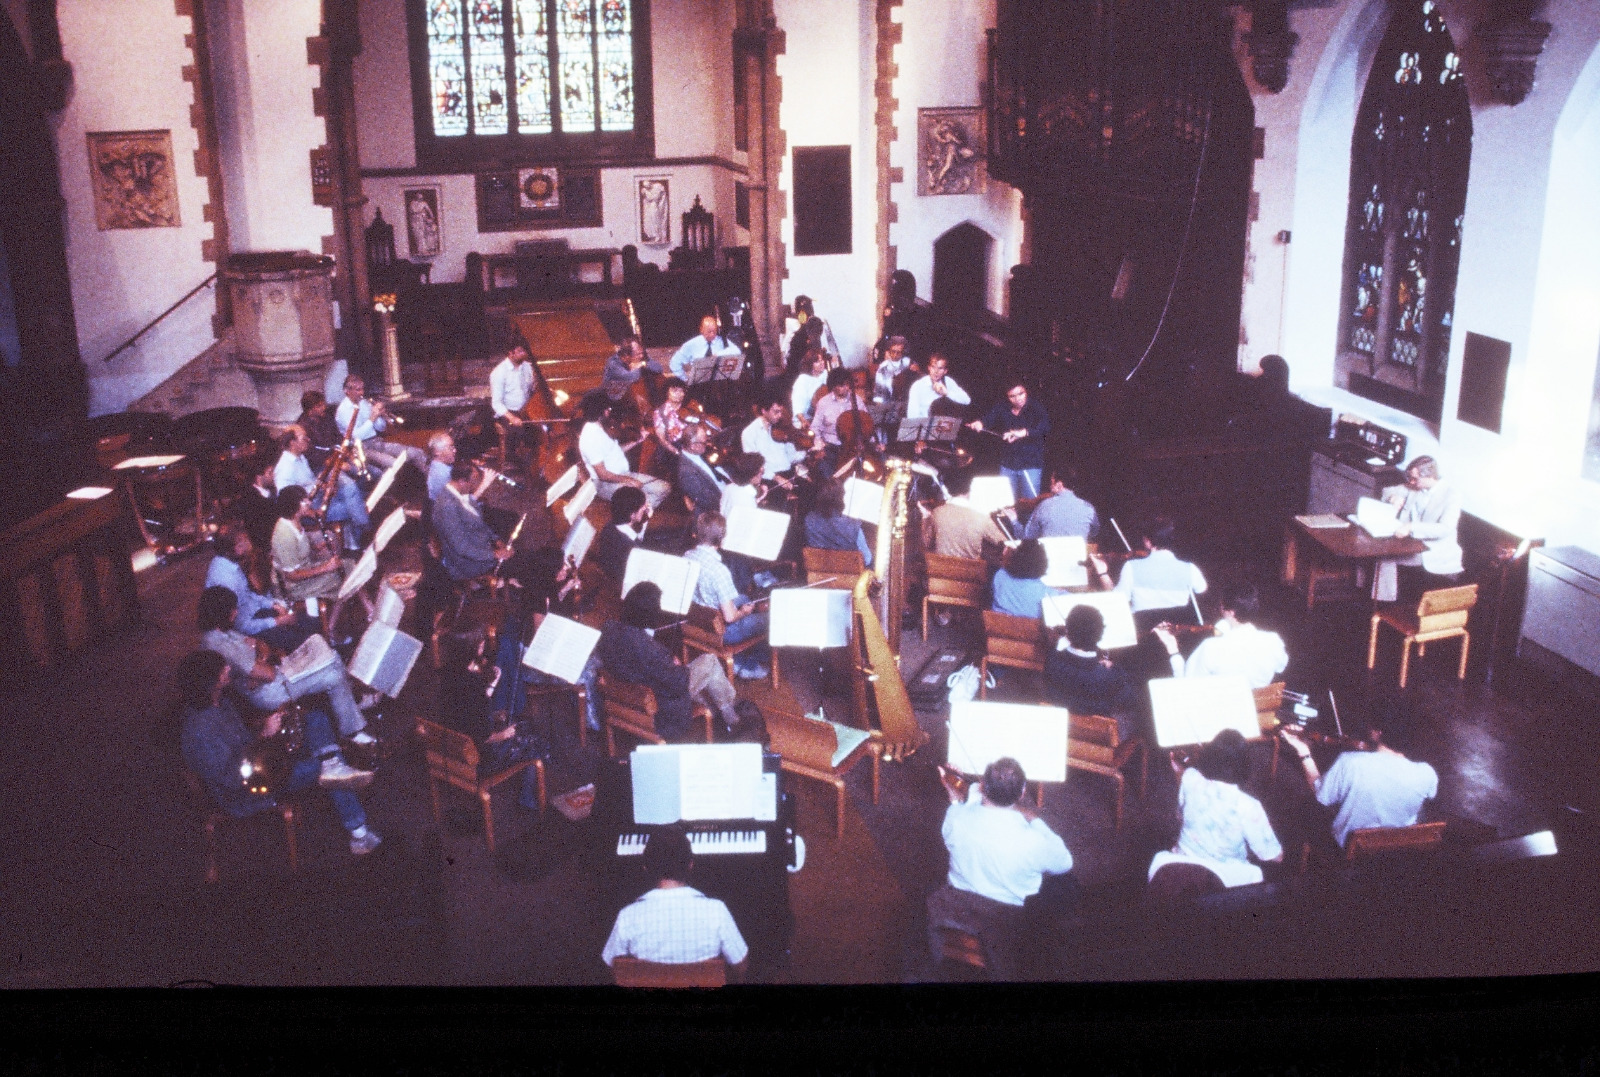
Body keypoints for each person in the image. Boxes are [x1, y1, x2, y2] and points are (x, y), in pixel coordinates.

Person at [177, 650, 381, 856]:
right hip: (249, 790)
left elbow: (242, 741)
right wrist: (264, 735)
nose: (228, 668)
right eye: (223, 670)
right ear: (212, 683)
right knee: (324, 769)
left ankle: (332, 765)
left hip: (259, 761)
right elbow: (234, 778)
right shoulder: (200, 731)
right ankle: (359, 834)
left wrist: (270, 728)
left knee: (315, 719)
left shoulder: (220, 702)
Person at [926, 757, 1074, 979]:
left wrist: (955, 793)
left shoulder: (956, 819)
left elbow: (959, 808)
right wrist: (1035, 820)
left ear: (984, 787)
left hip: (953, 903)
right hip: (1004, 918)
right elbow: (1065, 864)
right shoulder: (1035, 842)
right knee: (1066, 886)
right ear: (1022, 793)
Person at [197, 585, 377, 743]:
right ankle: (352, 730)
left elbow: (259, 643)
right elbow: (268, 674)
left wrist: (261, 658)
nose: (236, 612)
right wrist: (261, 661)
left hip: (271, 676)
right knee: (334, 674)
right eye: (233, 609)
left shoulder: (219, 633)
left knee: (327, 652)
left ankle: (351, 707)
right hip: (270, 692)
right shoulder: (221, 645)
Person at [1280, 697, 1438, 850]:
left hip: (1349, 852)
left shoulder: (1351, 763)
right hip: (1396, 856)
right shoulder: (1427, 774)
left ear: (1376, 733)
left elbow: (1319, 794)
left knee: (1297, 790)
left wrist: (1304, 751)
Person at [595, 582, 748, 738]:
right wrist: (676, 666)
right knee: (710, 662)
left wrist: (666, 660)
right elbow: (678, 683)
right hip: (662, 710)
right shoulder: (649, 650)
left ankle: (718, 709)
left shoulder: (608, 630)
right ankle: (732, 719)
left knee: (704, 674)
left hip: (627, 702)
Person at [601, 825, 750, 977]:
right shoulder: (717, 911)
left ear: (646, 867)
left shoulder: (628, 916)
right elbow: (741, 966)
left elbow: (612, 967)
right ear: (690, 865)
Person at [1149, 729, 1283, 889]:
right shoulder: (1248, 806)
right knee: (1257, 875)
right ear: (1245, 765)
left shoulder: (1190, 777)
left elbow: (1180, 815)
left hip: (1180, 861)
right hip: (1224, 873)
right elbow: (1273, 856)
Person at [683, 512, 770, 680]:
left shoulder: (687, 555)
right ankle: (744, 664)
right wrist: (744, 612)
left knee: (745, 598)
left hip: (693, 623)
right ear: (721, 540)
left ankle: (748, 656)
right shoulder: (719, 571)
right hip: (718, 632)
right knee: (770, 618)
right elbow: (730, 617)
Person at [1152, 582, 1288, 689]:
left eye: (1221, 606)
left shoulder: (1210, 647)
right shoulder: (1273, 641)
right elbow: (1281, 666)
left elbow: (1185, 685)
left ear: (1230, 612)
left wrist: (1172, 649)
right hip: (1260, 715)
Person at [204, 523, 316, 652]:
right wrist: (278, 621)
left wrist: (272, 605)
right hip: (247, 626)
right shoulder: (228, 581)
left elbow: (247, 595)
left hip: (252, 613)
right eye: (246, 541)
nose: (250, 543)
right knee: (300, 638)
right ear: (238, 548)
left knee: (304, 619)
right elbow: (241, 625)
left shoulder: (223, 562)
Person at [1372, 455, 1463, 604]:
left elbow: (1445, 529)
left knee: (1385, 558)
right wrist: (1393, 498)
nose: (1411, 482)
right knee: (1377, 553)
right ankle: (1377, 602)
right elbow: (1386, 491)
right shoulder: (1415, 486)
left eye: (1415, 479)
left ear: (1430, 476)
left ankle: (1385, 605)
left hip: (1433, 551)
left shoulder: (1452, 495)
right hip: (1412, 545)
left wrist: (1411, 527)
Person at [433, 460, 535, 586]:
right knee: (528, 565)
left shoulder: (459, 492)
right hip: (469, 563)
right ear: (462, 482)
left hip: (482, 548)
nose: (475, 487)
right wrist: (495, 554)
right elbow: (462, 548)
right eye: (473, 483)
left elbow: (478, 524)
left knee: (525, 555)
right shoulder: (447, 507)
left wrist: (496, 540)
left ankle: (517, 581)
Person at [1043, 605, 1139, 737]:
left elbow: (1055, 653)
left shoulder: (1052, 662)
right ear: (1100, 635)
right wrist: (1116, 669)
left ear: (1068, 632)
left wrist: (1058, 640)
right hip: (1096, 741)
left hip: (1059, 732)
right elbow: (1131, 699)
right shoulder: (1110, 676)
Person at [269, 485, 352, 630]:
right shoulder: (283, 534)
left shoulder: (294, 521)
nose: (308, 502)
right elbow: (291, 575)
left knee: (348, 566)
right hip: (293, 587)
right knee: (344, 575)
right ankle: (331, 628)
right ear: (293, 506)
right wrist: (326, 567)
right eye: (303, 501)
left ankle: (334, 624)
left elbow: (299, 547)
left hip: (305, 571)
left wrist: (316, 547)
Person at [273, 424, 369, 549]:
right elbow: (287, 504)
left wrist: (324, 487)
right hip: (310, 511)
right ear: (292, 443)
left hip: (319, 497)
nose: (308, 440)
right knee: (357, 507)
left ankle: (354, 543)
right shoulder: (284, 469)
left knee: (352, 492)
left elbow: (309, 482)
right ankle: (362, 538)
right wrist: (311, 512)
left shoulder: (300, 456)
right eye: (304, 438)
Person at [577, 392, 671, 509]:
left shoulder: (599, 429)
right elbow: (603, 475)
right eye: (608, 409)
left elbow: (614, 452)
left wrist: (637, 441)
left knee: (664, 488)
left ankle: (638, 512)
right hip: (606, 484)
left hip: (621, 475)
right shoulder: (591, 438)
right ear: (604, 412)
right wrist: (629, 480)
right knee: (646, 497)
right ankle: (633, 515)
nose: (610, 412)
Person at [1114, 517, 1207, 624]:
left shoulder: (1131, 567)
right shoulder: (1190, 568)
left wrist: (1103, 573)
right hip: (1176, 632)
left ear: (1147, 542)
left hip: (1142, 633)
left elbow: (1118, 601)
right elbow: (1202, 589)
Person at [967, 380, 1049, 501]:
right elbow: (989, 418)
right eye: (1012, 396)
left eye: (1021, 394)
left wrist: (1023, 433)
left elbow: (1045, 427)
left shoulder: (1036, 407)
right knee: (1006, 501)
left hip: (1030, 464)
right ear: (1007, 396)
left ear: (1026, 392)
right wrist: (980, 423)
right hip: (1008, 464)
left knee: (1030, 502)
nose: (1018, 399)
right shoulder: (1002, 407)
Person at [334, 374, 425, 473]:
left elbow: (380, 428)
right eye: (357, 390)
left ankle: (432, 486)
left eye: (362, 389)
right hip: (359, 449)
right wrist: (372, 418)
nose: (362, 392)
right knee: (394, 464)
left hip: (376, 442)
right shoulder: (343, 411)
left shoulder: (364, 403)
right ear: (347, 391)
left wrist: (381, 415)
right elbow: (356, 437)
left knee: (416, 453)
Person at [809, 367, 869, 471]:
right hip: (831, 447)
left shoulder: (857, 401)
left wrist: (871, 443)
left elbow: (867, 424)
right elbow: (815, 427)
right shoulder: (823, 403)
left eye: (846, 384)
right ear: (833, 386)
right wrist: (819, 442)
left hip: (853, 447)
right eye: (840, 385)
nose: (844, 388)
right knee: (824, 467)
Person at [740, 390, 809, 481]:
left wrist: (808, 451)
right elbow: (754, 467)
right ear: (764, 411)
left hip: (789, 473)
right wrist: (775, 477)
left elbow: (791, 457)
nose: (780, 415)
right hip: (770, 478)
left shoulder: (781, 428)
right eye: (776, 412)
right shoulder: (749, 433)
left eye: (781, 412)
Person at [804, 480, 873, 568]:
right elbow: (867, 559)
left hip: (819, 576)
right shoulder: (853, 524)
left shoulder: (809, 519)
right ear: (841, 498)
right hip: (850, 579)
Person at [1022, 466, 1099, 542]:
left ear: (1059, 484)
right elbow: (1094, 532)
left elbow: (1028, 536)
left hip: (1049, 554)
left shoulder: (1043, 506)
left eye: (1051, 482)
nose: (1050, 486)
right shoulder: (1089, 508)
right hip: (1077, 554)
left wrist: (1014, 520)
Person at [488, 343, 537, 461]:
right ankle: (514, 462)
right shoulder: (499, 372)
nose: (524, 354)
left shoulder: (527, 367)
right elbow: (496, 403)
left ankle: (534, 461)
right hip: (508, 412)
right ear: (510, 353)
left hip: (526, 410)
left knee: (537, 431)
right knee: (518, 433)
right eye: (520, 351)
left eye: (524, 351)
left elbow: (531, 389)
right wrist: (512, 418)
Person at [594, 485, 650, 580]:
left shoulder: (610, 525)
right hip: (621, 578)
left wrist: (645, 521)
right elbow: (639, 548)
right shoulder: (630, 546)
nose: (646, 508)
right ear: (632, 515)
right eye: (643, 508)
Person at [991, 538, 1053, 619]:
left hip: (997, 628)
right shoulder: (1046, 594)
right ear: (1042, 565)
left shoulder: (1000, 575)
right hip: (1030, 630)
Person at [670, 314, 742, 382]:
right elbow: (674, 362)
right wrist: (684, 379)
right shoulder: (692, 344)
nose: (712, 334)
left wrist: (719, 354)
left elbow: (737, 351)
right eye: (709, 332)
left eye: (714, 331)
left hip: (719, 382)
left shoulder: (722, 340)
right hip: (698, 383)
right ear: (701, 330)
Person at [677, 424, 727, 516]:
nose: (708, 444)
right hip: (718, 509)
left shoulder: (701, 451)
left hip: (727, 490)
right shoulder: (686, 472)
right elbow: (708, 501)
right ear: (693, 446)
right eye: (704, 442)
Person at [906, 353, 971, 420]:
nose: (936, 371)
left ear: (945, 371)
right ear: (929, 368)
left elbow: (967, 400)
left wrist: (947, 393)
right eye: (933, 367)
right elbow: (912, 416)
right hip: (924, 425)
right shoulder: (918, 386)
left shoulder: (948, 381)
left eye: (940, 368)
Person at [601, 336, 664, 405]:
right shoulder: (614, 363)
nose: (641, 356)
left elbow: (659, 368)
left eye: (642, 353)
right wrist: (638, 366)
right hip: (617, 401)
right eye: (637, 354)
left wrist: (644, 363)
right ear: (626, 355)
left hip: (636, 400)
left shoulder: (641, 357)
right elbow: (633, 377)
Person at [297, 389, 342, 472]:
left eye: (323, 404)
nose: (324, 408)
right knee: (348, 483)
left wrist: (344, 451)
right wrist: (335, 462)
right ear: (309, 410)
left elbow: (337, 436)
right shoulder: (302, 428)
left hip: (336, 456)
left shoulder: (326, 417)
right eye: (319, 406)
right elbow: (311, 455)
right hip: (320, 465)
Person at [650, 377, 690, 460]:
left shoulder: (689, 407)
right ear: (667, 393)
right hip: (673, 447)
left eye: (681, 391)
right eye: (675, 391)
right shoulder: (659, 412)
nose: (679, 394)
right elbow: (662, 439)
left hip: (691, 442)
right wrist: (676, 452)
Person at [789, 348, 829, 421]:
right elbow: (797, 403)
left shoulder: (825, 374)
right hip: (807, 418)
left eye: (822, 360)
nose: (821, 363)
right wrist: (803, 420)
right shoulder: (803, 380)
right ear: (810, 364)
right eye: (817, 361)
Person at [871, 335, 912, 403]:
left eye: (898, 352)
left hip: (905, 402)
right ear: (889, 350)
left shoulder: (908, 362)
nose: (895, 355)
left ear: (903, 352)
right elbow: (879, 389)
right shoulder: (883, 367)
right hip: (887, 403)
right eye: (893, 351)